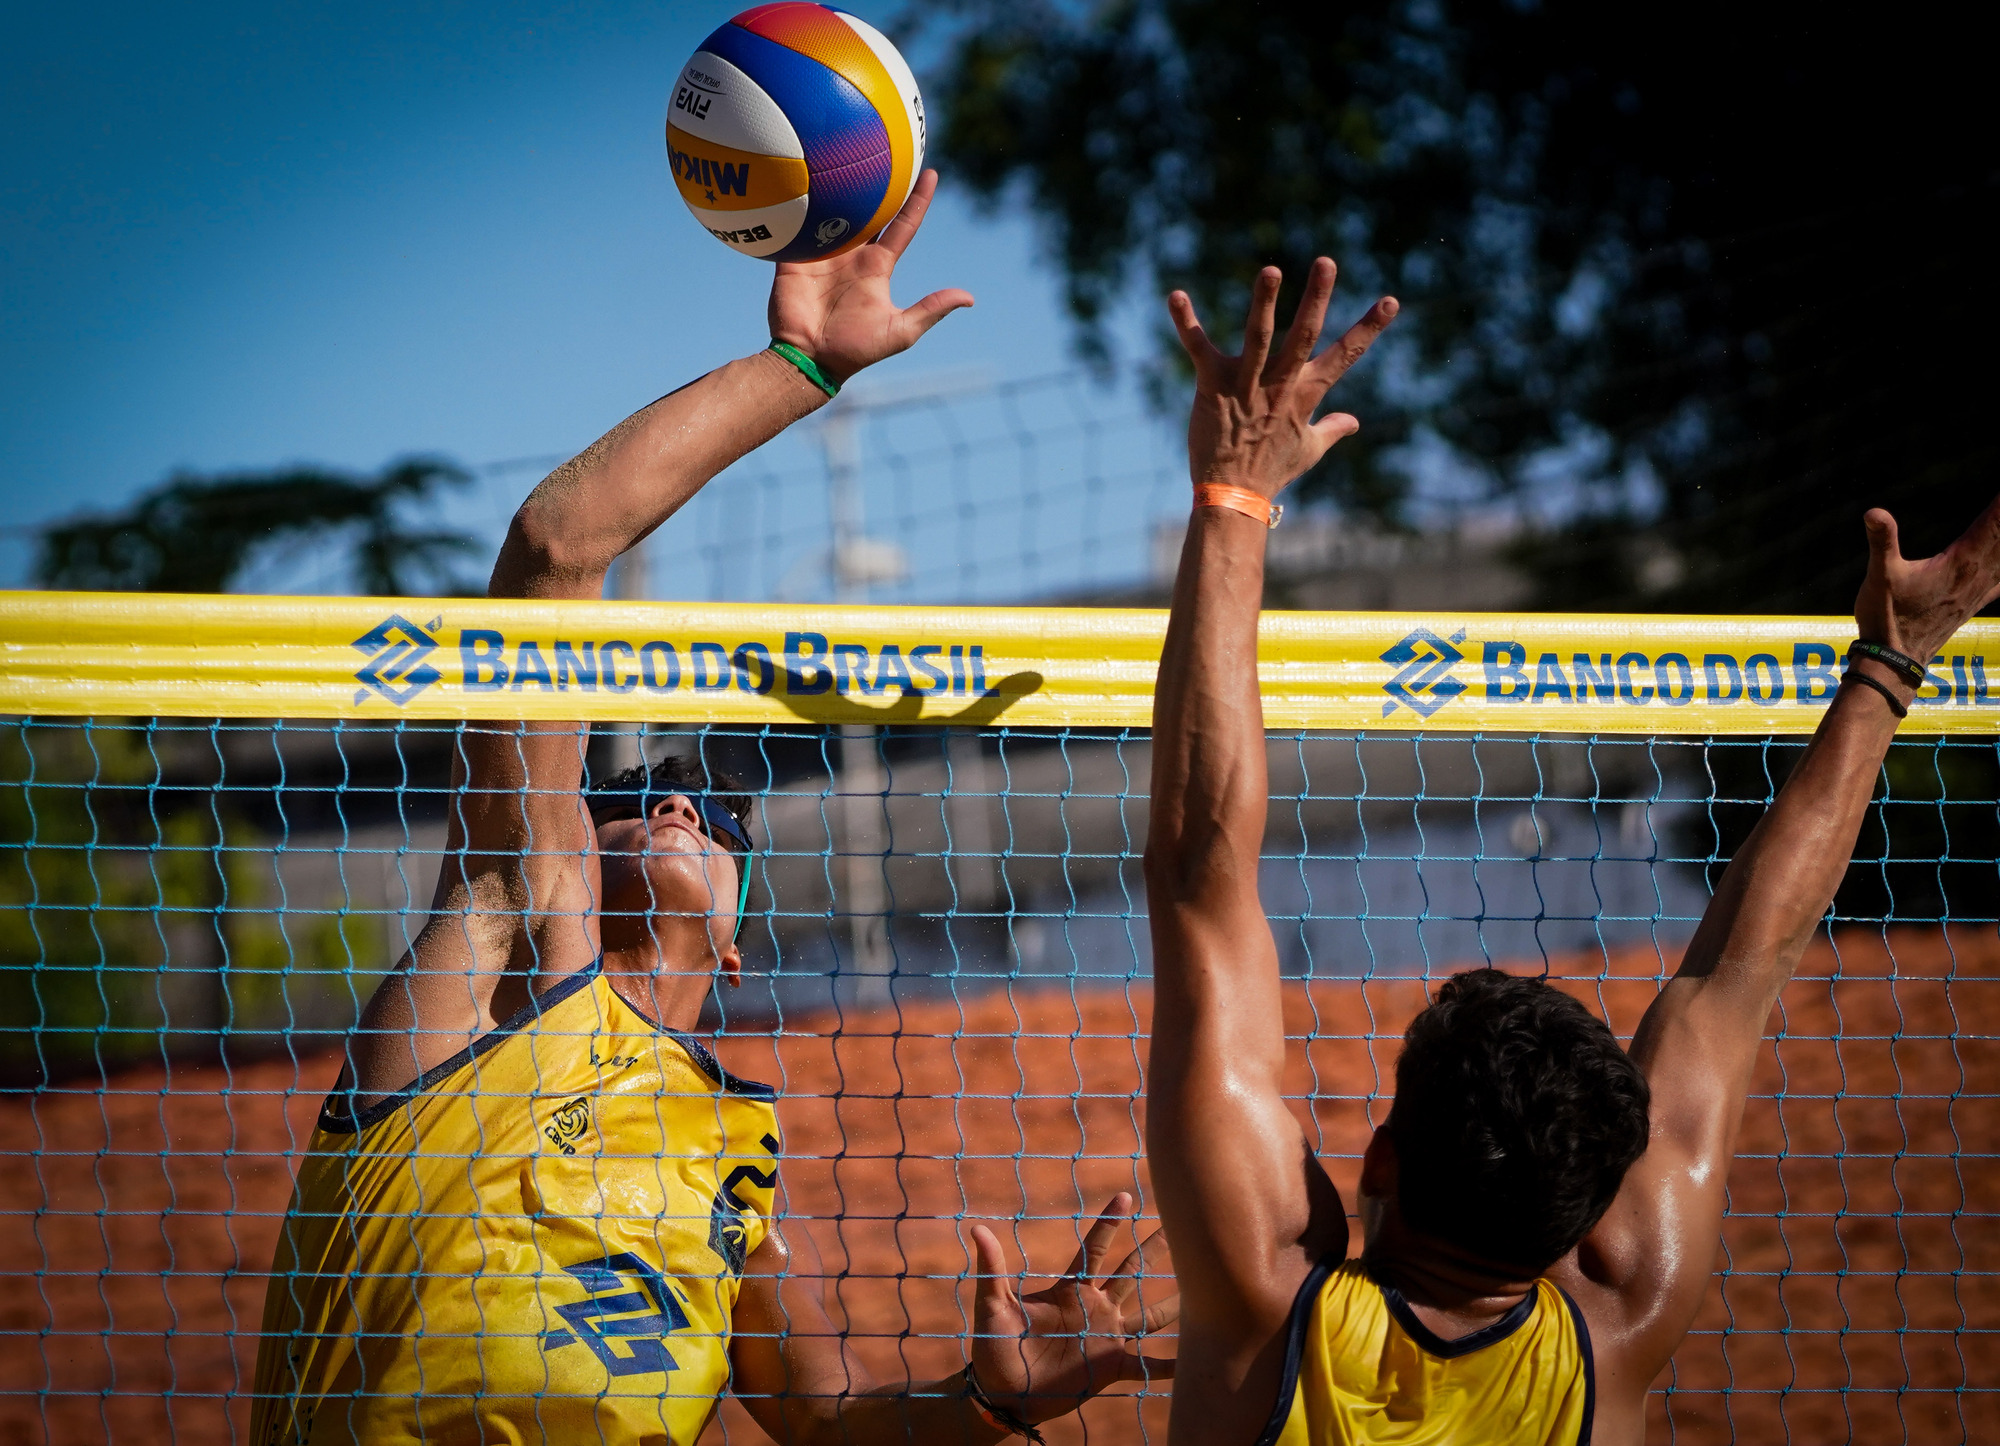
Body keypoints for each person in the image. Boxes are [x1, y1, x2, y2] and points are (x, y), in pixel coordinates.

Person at [251, 170, 1174, 1446]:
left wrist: (981, 1405)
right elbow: (556, 547)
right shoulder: (491, 974)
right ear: (574, 848)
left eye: (722, 820)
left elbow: (827, 1425)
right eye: (632, 798)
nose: (684, 804)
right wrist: (800, 368)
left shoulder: (735, 1160)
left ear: (737, 945)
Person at [1140, 256, 2000, 1445]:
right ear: (1593, 1219)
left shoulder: (1265, 1302)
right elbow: (1734, 977)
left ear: (1378, 1161)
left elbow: (1199, 867)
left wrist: (1233, 495)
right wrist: (1891, 668)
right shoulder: (1619, 1324)